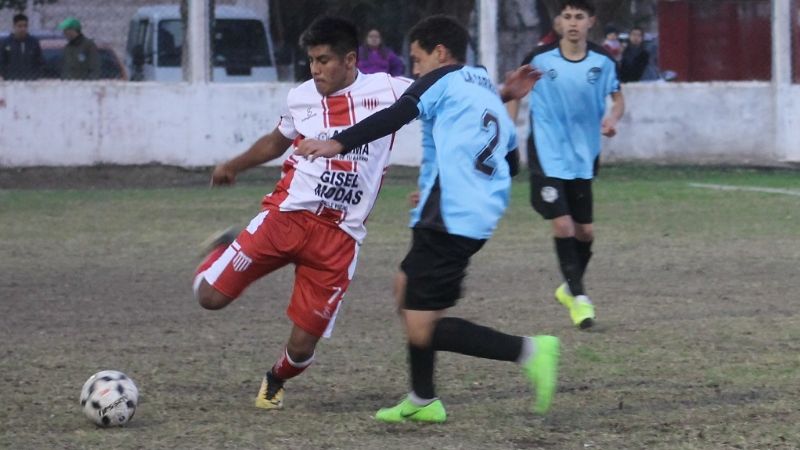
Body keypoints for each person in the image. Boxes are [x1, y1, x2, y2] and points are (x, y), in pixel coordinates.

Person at [296, 15, 559, 423]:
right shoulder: (481, 85)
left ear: (439, 52)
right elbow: (511, 162)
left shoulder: (442, 79)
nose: (415, 70)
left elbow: (396, 114)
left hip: (449, 214)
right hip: (467, 211)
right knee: (405, 288)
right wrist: (506, 98)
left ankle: (531, 351)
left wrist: (337, 142)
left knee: (422, 325)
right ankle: (422, 399)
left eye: (417, 60)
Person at [192, 16, 413, 411]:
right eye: (311, 60)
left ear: (349, 60)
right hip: (287, 217)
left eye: (323, 60)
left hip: (339, 238)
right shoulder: (301, 97)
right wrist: (233, 166)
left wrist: (498, 94)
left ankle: (275, 378)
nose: (315, 69)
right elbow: (276, 142)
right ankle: (223, 250)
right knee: (209, 297)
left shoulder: (389, 90)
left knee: (301, 347)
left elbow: (446, 93)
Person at [509, 0, 624, 330]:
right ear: (559, 22)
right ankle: (580, 297)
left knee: (585, 232)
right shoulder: (539, 58)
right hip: (546, 152)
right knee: (563, 226)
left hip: (583, 156)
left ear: (591, 22)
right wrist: (509, 131)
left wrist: (612, 119)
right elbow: (514, 92)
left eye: (579, 17)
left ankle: (569, 287)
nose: (573, 22)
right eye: (567, 16)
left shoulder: (603, 62)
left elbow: (618, 99)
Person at [0, 14, 44, 81]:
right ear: (14, 26)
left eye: (25, 26)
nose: (23, 29)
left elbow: (40, 62)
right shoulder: (6, 43)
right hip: (11, 81)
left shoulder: (33, 43)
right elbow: (2, 62)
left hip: (31, 82)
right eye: (20, 26)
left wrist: (36, 75)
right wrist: (6, 75)